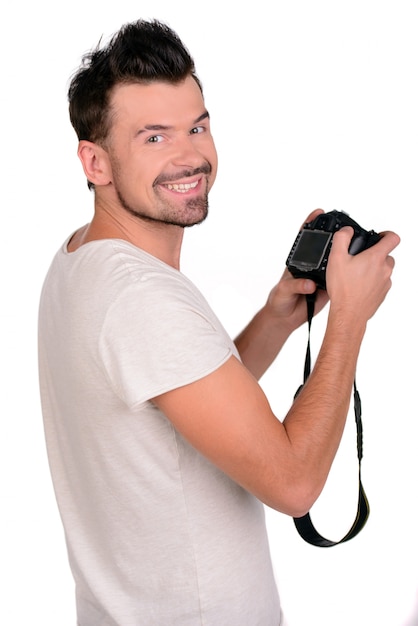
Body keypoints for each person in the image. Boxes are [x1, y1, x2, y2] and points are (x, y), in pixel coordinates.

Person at [38, 18, 400, 626]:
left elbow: (184, 400)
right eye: (153, 138)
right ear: (94, 161)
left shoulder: (84, 256)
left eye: (197, 126)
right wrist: (350, 324)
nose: (190, 155)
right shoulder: (142, 299)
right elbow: (293, 485)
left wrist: (279, 316)